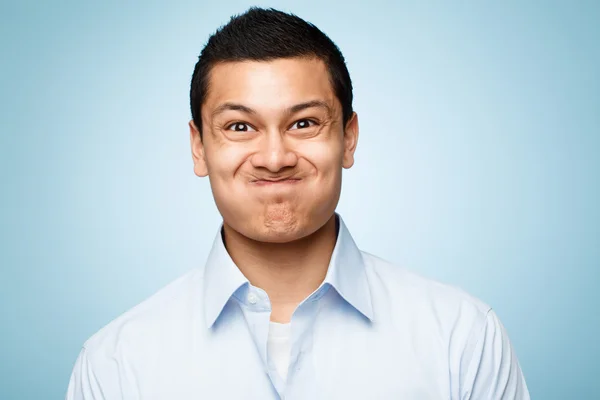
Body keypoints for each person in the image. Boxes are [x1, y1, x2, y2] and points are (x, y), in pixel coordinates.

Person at [66, 7, 530, 399]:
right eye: (240, 127)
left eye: (304, 123)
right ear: (199, 147)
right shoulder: (118, 364)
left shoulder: (461, 338)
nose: (274, 158)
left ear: (348, 138)